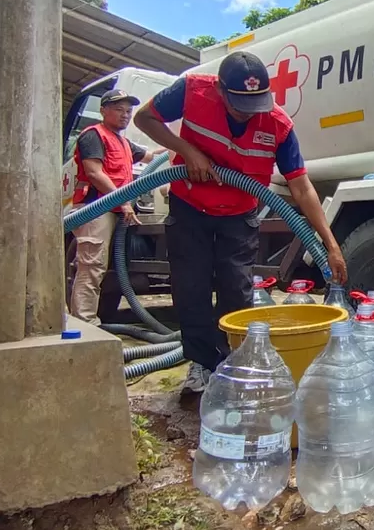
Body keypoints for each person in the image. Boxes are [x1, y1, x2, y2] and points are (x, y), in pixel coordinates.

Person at [134, 51, 347, 393]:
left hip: (239, 214)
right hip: (191, 206)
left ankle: (234, 364)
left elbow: (301, 186)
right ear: (220, 89)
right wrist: (187, 151)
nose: (249, 115)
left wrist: (331, 245)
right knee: (192, 289)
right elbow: (144, 119)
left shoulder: (277, 125)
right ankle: (202, 365)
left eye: (256, 104)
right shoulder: (191, 90)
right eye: (239, 106)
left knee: (237, 290)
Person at [69, 89, 160, 325]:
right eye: (118, 110)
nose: (125, 115)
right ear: (103, 111)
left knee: (104, 267)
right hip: (95, 209)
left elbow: (152, 157)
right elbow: (94, 172)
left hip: (115, 210)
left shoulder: (123, 142)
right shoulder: (93, 136)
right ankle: (85, 323)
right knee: (92, 267)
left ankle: (94, 318)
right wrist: (123, 201)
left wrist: (179, 147)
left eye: (128, 111)